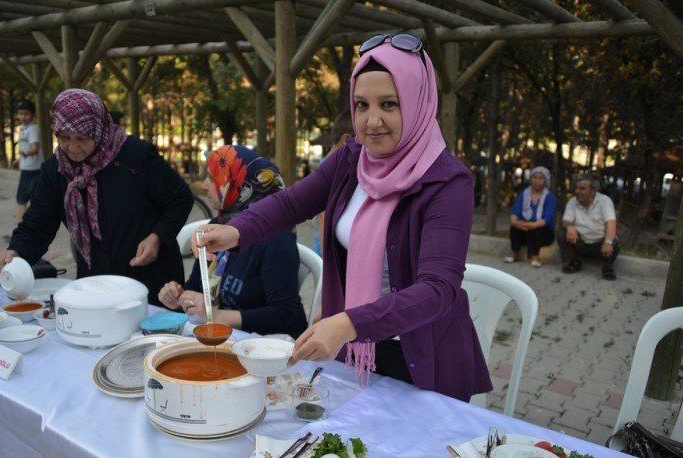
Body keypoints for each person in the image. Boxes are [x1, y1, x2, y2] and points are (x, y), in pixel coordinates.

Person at [193, 34, 491, 402]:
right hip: (353, 345)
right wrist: (235, 230)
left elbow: (437, 289)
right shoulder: (351, 159)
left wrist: (349, 323)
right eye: (362, 105)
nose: (372, 121)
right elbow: (290, 204)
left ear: (417, 103)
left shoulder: (447, 181)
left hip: (421, 356)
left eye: (389, 104)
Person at [0, 89, 193, 306]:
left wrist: (157, 237)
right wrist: (16, 251)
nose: (72, 147)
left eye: (82, 138)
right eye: (64, 137)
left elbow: (180, 198)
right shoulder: (56, 171)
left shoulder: (136, 156)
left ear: (98, 130)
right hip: (95, 284)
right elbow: (37, 225)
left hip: (151, 280)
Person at [158, 146, 307, 339]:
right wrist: (178, 297)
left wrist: (217, 315)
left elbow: (288, 315)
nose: (204, 185)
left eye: (213, 179)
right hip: (223, 338)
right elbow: (197, 285)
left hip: (262, 347)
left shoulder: (276, 239)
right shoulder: (217, 226)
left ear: (239, 187)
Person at [557, 174, 619, 280]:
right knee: (562, 232)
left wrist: (607, 242)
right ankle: (574, 262)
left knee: (613, 240)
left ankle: (608, 268)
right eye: (576, 188)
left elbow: (611, 222)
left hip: (600, 244)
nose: (577, 191)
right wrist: (570, 226)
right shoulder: (573, 202)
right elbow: (566, 221)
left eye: (582, 189)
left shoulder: (604, 201)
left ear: (593, 191)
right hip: (581, 243)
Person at [314, 110, 355, 256]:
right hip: (330, 256)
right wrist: (328, 258)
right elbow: (322, 216)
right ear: (346, 141)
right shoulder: (331, 170)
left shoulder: (329, 166)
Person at [504, 166, 557, 267]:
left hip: (543, 234)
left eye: (540, 178)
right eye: (535, 177)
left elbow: (547, 219)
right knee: (515, 228)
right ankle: (514, 253)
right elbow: (515, 213)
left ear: (545, 180)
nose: (537, 180)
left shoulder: (550, 198)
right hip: (524, 229)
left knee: (536, 229)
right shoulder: (523, 194)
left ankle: (535, 256)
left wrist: (530, 225)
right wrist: (517, 223)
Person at [13, 99, 41, 222]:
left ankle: (21, 228)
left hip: (31, 169)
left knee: (21, 199)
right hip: (28, 167)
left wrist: (25, 154)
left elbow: (35, 149)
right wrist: (19, 159)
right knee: (34, 198)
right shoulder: (23, 128)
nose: (23, 117)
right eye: (20, 113)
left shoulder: (32, 129)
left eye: (26, 114)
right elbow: (25, 147)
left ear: (32, 115)